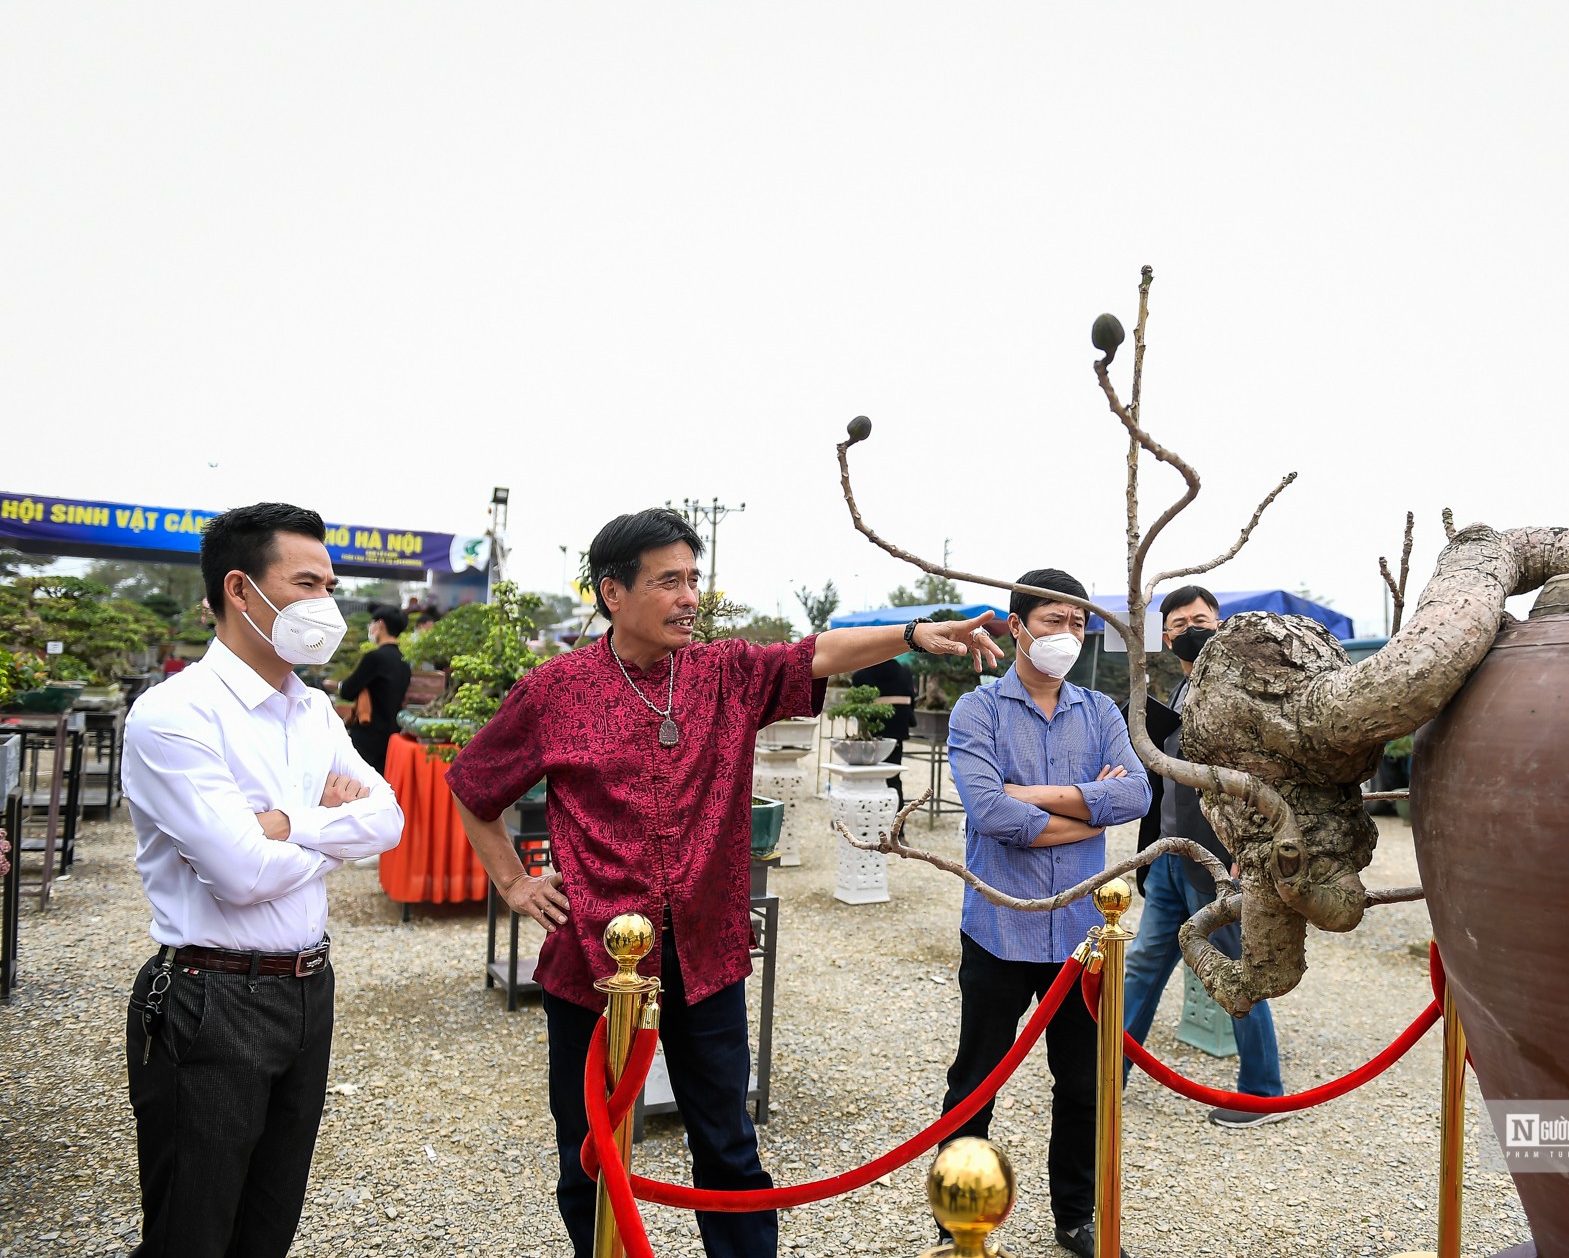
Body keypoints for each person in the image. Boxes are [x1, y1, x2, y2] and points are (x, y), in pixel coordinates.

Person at [443, 509, 1005, 1258]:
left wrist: (911, 635)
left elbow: (816, 652)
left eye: (693, 578)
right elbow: (473, 784)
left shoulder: (724, 673)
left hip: (708, 955)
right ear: (612, 592)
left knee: (729, 1146)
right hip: (593, 962)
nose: (688, 597)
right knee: (588, 1149)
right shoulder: (556, 690)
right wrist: (514, 883)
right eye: (668, 580)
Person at [120, 501, 404, 1257]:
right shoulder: (174, 714)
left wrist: (287, 821)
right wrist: (322, 826)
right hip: (211, 1000)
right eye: (307, 582)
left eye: (330, 584)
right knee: (194, 1231)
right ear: (242, 590)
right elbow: (241, 872)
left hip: (309, 989)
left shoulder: (311, 708)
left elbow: (390, 819)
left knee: (268, 1226)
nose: (327, 605)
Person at [938, 569, 1151, 1258]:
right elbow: (989, 812)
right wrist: (1086, 808)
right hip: (1000, 925)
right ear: (1018, 624)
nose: (1067, 635)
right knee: (976, 1079)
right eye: (1054, 620)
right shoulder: (980, 711)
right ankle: (957, 1213)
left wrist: (1035, 794)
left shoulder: (1100, 711)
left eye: (1078, 623)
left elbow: (1137, 796)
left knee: (1085, 1083)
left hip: (1081, 938)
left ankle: (1075, 1214)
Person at [1121, 586, 1287, 1126]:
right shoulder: (1174, 694)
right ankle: (1107, 1074)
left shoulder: (1242, 695)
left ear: (1222, 626)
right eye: (1180, 622)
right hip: (1171, 855)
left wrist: (1252, 850)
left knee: (1238, 971)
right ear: (1166, 637)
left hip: (1221, 861)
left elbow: (1268, 778)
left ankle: (1262, 1093)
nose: (1192, 628)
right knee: (1143, 966)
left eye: (1203, 619)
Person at [337, 603, 413, 775]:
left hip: (368, 736)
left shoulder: (375, 657)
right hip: (391, 736)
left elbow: (347, 691)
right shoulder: (404, 661)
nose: (370, 627)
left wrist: (340, 685)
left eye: (372, 623)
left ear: (380, 624)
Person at [850, 654, 915, 803]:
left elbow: (855, 707)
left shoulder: (860, 676)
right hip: (897, 730)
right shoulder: (905, 673)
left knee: (866, 776)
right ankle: (897, 821)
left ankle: (867, 815)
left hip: (868, 734)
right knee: (893, 777)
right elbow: (912, 702)